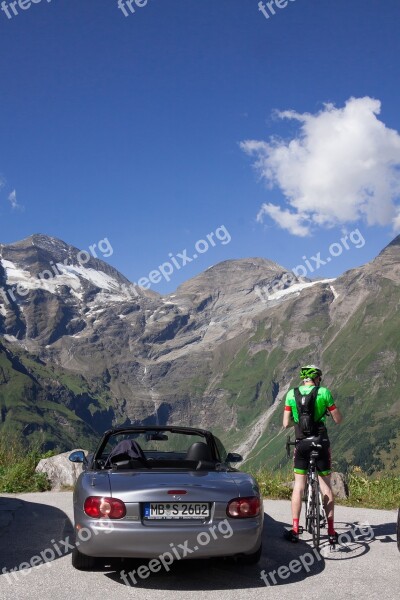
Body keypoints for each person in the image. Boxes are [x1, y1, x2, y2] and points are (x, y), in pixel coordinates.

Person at [283, 365, 343, 543]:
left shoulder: (291, 394)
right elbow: (338, 420)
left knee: (298, 486)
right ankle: (331, 532)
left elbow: (285, 423)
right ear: (316, 378)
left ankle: (295, 529)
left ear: (303, 378)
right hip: (321, 442)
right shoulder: (324, 393)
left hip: (302, 443)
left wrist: (298, 420)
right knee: (326, 487)